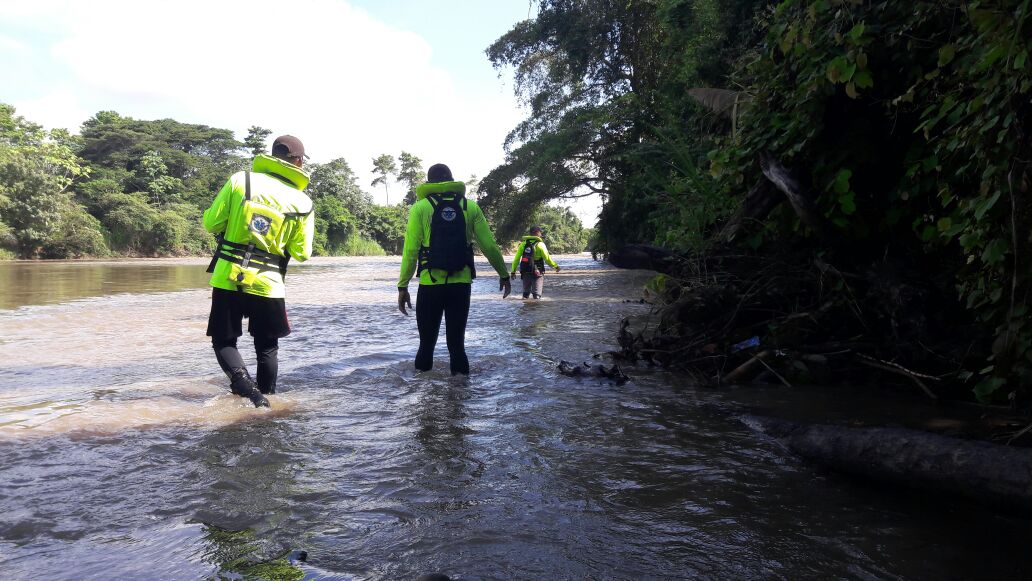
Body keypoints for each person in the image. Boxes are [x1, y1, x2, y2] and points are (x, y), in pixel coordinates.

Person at [202, 135, 315, 407]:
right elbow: (302, 252)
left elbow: (211, 223)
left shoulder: (241, 180)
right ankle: (266, 401)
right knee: (267, 347)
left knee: (224, 340)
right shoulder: (303, 202)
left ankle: (245, 388)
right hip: (269, 282)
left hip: (229, 276)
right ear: (298, 162)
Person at [397, 163, 511, 375]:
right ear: (451, 180)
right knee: (457, 346)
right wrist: (504, 274)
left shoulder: (420, 208)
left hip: (430, 284)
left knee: (426, 345)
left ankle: (423, 396)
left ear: (429, 183)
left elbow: (411, 250)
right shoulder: (470, 207)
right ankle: (459, 397)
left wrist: (402, 286)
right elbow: (489, 246)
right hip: (461, 284)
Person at [510, 226, 560, 299]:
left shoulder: (523, 244)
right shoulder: (540, 245)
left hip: (525, 270)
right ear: (537, 233)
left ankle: (526, 309)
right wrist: (555, 266)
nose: (541, 234)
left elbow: (516, 259)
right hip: (537, 271)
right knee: (536, 295)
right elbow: (547, 259)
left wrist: (513, 271)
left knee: (525, 295)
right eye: (540, 233)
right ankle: (535, 308)